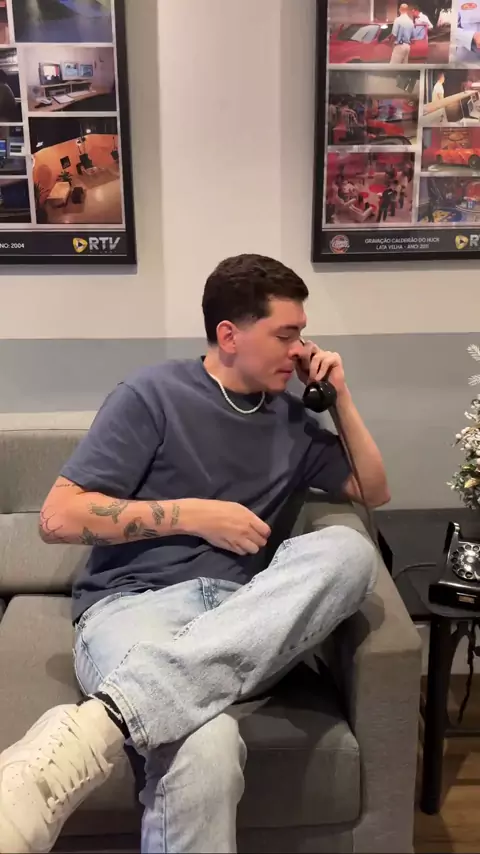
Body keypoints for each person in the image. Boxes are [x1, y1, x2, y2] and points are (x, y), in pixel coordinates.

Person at [0, 254, 389, 854]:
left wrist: (339, 397)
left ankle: (100, 726)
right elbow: (58, 518)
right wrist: (195, 514)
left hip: (247, 617)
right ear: (229, 336)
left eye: (302, 335)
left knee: (351, 551)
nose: (299, 349)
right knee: (204, 745)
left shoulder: (293, 422)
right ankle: (134, 710)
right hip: (136, 607)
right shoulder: (152, 394)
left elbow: (373, 490)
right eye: (285, 335)